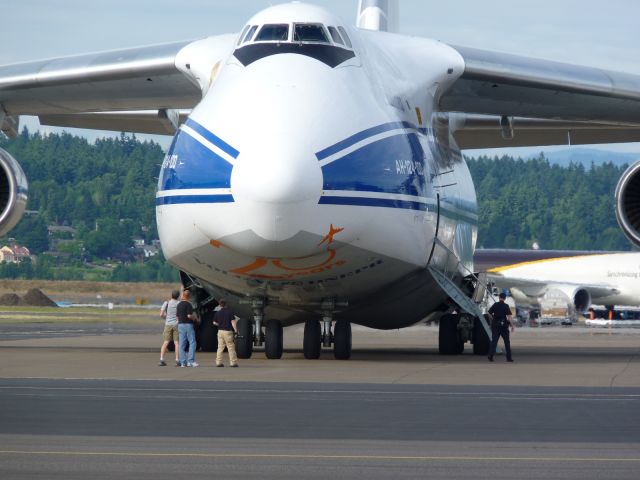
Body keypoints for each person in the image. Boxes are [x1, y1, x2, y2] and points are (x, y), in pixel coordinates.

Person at [487, 292, 515, 362]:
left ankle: (491, 356)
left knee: (494, 341)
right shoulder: (506, 306)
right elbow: (509, 317)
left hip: (495, 325)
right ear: (505, 298)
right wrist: (512, 325)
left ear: (499, 297)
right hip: (504, 326)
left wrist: (492, 319)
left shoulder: (495, 305)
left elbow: (488, 313)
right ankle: (509, 358)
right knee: (507, 342)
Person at [213, 299, 239, 367]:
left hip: (220, 332)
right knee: (230, 347)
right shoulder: (230, 312)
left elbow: (214, 322)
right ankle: (233, 363)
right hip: (228, 332)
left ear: (220, 305)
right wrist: (236, 330)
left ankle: (218, 362)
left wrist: (220, 324)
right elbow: (233, 322)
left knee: (220, 347)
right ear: (226, 304)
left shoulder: (217, 313)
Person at [176, 289, 199, 367]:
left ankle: (183, 362)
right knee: (192, 342)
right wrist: (195, 318)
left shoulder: (179, 305)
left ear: (183, 296)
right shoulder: (189, 304)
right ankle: (191, 361)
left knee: (182, 344)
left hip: (180, 325)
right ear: (189, 297)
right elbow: (189, 315)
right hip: (188, 325)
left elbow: (177, 316)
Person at [158, 289, 181, 366]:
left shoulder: (166, 303)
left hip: (168, 324)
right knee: (176, 343)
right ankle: (177, 360)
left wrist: (166, 317)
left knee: (166, 342)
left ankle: (161, 359)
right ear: (178, 296)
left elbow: (161, 314)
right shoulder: (179, 303)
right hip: (176, 325)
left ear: (171, 295)